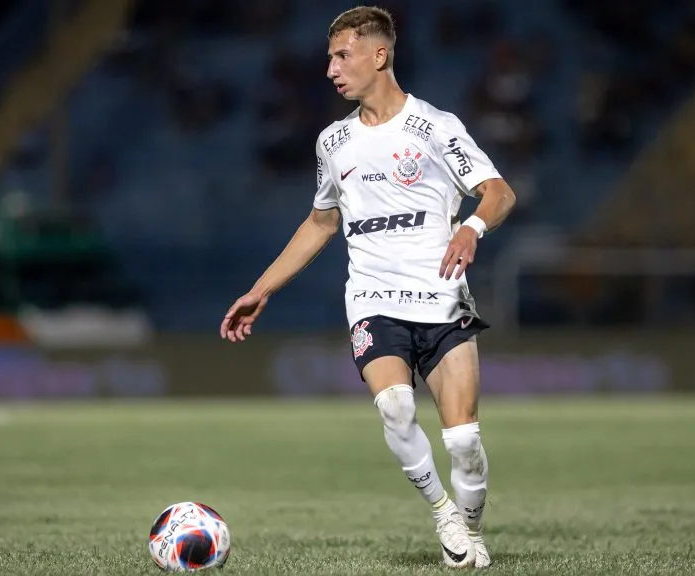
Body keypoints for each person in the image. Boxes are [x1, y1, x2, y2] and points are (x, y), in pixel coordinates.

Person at [220, 5, 517, 569]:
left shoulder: (434, 127)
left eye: (342, 55)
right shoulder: (333, 143)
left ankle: (471, 523)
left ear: (379, 55)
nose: (331, 69)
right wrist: (262, 289)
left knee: (463, 446)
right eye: (329, 57)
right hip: (374, 299)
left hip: (441, 298)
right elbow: (321, 222)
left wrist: (472, 228)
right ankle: (441, 512)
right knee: (396, 409)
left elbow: (498, 193)